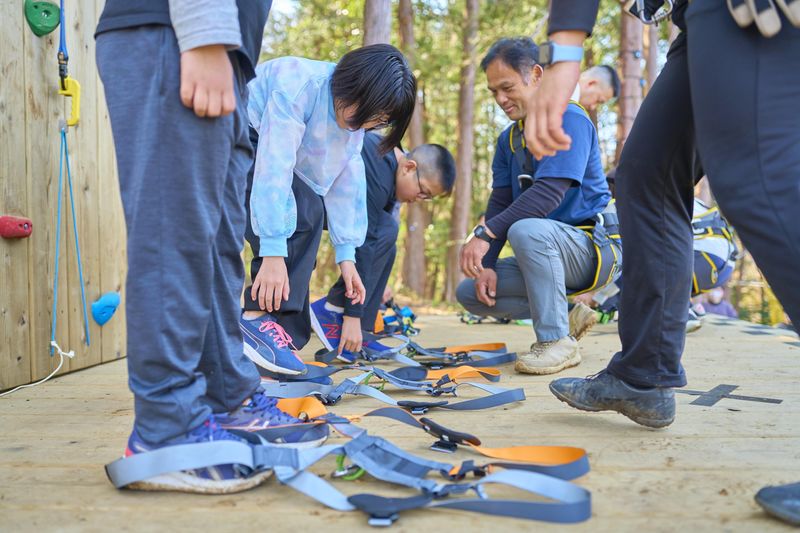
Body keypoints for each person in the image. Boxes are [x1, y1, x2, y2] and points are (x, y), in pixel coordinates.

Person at [530, 0, 800, 459]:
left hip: (747, 9)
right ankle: (643, 376)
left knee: (755, 180)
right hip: (701, 18)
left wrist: (565, 54)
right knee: (646, 177)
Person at [96, 0, 325, 494]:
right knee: (173, 237)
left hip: (225, 54)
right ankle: (167, 429)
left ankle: (227, 397)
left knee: (218, 244)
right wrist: (204, 33)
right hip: (178, 33)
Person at [241, 45, 417, 374]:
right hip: (240, 131)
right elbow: (274, 169)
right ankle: (254, 319)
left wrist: (347, 257)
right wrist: (273, 253)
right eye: (368, 112)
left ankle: (282, 341)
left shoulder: (354, 126)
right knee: (303, 212)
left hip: (276, 153)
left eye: (379, 121)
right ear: (353, 85)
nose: (366, 124)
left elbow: (345, 185)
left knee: (310, 211)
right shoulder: (299, 84)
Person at [457, 37, 619, 376]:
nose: (501, 99)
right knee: (471, 292)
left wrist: (485, 233)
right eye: (493, 92)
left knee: (525, 228)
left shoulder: (569, 119)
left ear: (536, 75)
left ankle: (556, 341)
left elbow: (547, 195)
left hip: (591, 249)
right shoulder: (509, 139)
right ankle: (569, 315)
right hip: (546, 249)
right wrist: (487, 262)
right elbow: (500, 200)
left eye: (507, 87)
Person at [310, 132, 456, 360]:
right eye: (424, 192)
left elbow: (378, 243)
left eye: (428, 198)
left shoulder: (391, 171)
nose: (420, 199)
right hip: (306, 197)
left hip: (332, 208)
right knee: (383, 228)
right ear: (408, 167)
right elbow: (364, 242)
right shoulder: (377, 165)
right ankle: (333, 312)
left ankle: (362, 332)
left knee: (388, 231)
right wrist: (352, 316)